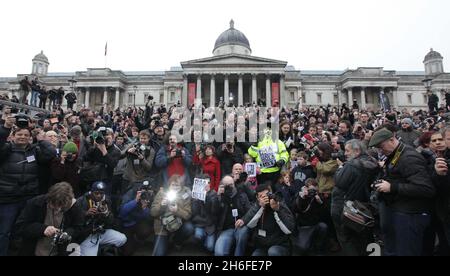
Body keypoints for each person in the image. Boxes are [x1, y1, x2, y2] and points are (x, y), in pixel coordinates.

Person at [369, 128, 435, 256]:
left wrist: (392, 187)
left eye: (381, 146)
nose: (380, 151)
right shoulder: (396, 154)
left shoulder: (408, 157)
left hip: (411, 214)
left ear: (392, 140)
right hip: (400, 210)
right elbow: (398, 177)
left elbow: (426, 189)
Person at [0, 116, 56, 256]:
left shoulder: (35, 150)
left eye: (26, 135)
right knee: (4, 232)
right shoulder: (6, 149)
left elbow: (50, 154)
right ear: (13, 136)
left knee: (24, 230)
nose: (22, 137)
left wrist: (42, 139)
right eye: (19, 134)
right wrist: (6, 128)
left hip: (28, 197)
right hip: (8, 198)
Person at [331, 139, 379, 256]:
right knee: (365, 239)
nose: (345, 154)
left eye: (347, 151)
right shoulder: (373, 162)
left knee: (347, 239)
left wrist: (341, 167)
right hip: (364, 208)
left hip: (346, 208)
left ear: (357, 151)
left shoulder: (351, 165)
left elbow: (339, 182)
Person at [15, 182, 84, 256]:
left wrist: (66, 233)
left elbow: (79, 228)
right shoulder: (36, 203)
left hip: (59, 252)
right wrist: (43, 229)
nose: (58, 209)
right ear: (49, 198)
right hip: (33, 251)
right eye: (54, 205)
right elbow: (20, 226)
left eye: (62, 207)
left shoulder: (75, 207)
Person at [237, 183, 295, 256]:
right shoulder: (257, 206)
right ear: (257, 198)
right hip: (263, 246)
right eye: (261, 196)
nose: (265, 198)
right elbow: (250, 224)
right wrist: (260, 206)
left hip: (279, 245)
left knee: (273, 252)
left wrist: (277, 209)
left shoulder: (279, 203)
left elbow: (289, 230)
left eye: (266, 195)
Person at [76, 182, 127, 256]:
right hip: (87, 235)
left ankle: (98, 248)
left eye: (101, 193)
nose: (99, 196)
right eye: (96, 193)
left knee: (122, 238)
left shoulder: (106, 200)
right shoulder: (81, 201)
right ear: (91, 192)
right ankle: (87, 249)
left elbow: (111, 222)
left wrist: (106, 214)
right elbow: (74, 220)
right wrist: (85, 214)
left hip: (100, 232)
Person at [151, 175, 194, 256]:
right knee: (159, 254)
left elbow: (188, 215)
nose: (175, 187)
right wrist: (161, 205)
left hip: (178, 224)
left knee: (189, 228)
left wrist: (177, 210)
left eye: (177, 185)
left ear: (181, 186)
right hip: (162, 227)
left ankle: (177, 241)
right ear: (169, 185)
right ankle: (165, 241)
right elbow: (153, 212)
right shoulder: (162, 193)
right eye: (173, 185)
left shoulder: (186, 194)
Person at [214, 175, 251, 256]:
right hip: (227, 230)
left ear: (234, 184)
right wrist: (218, 197)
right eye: (227, 185)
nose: (229, 187)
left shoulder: (241, 195)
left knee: (243, 232)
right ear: (222, 185)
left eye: (231, 184)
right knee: (219, 253)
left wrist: (243, 220)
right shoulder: (220, 197)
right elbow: (214, 213)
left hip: (241, 227)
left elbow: (250, 212)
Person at [119, 180, 155, 256]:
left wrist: (144, 208)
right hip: (127, 224)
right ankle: (132, 242)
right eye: (143, 190)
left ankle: (138, 240)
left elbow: (150, 216)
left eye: (146, 190)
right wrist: (135, 201)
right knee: (128, 252)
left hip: (138, 223)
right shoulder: (131, 193)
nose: (144, 192)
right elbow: (122, 212)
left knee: (146, 230)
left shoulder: (150, 196)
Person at [293, 179, 328, 255]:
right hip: (304, 226)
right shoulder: (301, 196)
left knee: (324, 227)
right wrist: (302, 198)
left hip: (316, 224)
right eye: (310, 189)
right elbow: (295, 210)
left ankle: (318, 248)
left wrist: (320, 202)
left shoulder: (319, 196)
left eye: (314, 190)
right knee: (303, 247)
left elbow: (325, 214)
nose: (311, 192)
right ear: (306, 188)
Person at [191, 175, 220, 253]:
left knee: (210, 247)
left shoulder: (214, 194)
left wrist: (208, 198)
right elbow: (194, 212)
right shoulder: (196, 194)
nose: (207, 184)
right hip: (199, 223)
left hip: (210, 225)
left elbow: (214, 211)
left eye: (208, 182)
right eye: (205, 182)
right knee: (198, 236)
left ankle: (205, 243)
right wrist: (195, 201)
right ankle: (200, 242)